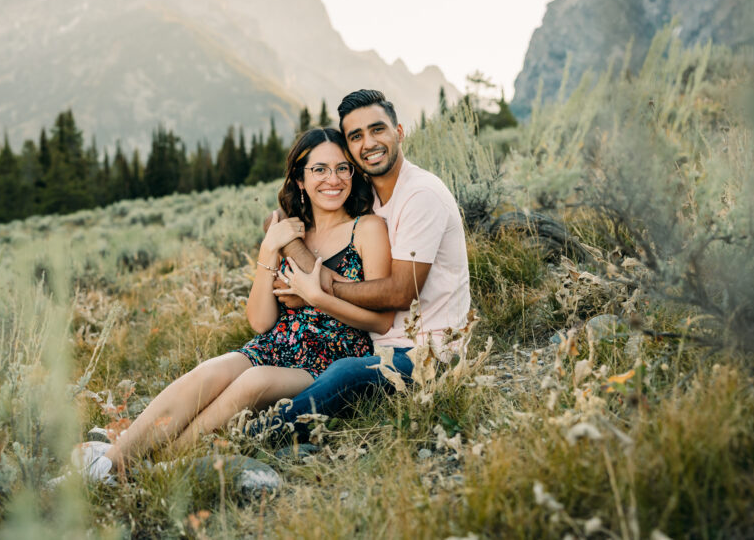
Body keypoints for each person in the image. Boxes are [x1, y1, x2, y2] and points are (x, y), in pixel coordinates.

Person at [74, 127, 394, 482]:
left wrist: (315, 297)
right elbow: (259, 322)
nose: (332, 179)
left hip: (330, 358)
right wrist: (269, 248)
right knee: (209, 373)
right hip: (274, 345)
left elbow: (379, 320)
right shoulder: (291, 231)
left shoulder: (366, 229)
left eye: (342, 168)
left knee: (251, 381)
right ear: (300, 180)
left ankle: (141, 465)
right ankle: (111, 462)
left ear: (353, 173)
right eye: (319, 169)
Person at [260, 89, 470, 436]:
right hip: (379, 346)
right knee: (333, 370)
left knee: (346, 374)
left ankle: (257, 435)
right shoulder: (367, 195)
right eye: (356, 136)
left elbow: (402, 293)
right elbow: (288, 213)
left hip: (429, 355)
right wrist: (280, 230)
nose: (368, 143)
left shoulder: (420, 195)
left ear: (399, 133)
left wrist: (319, 286)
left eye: (378, 130)